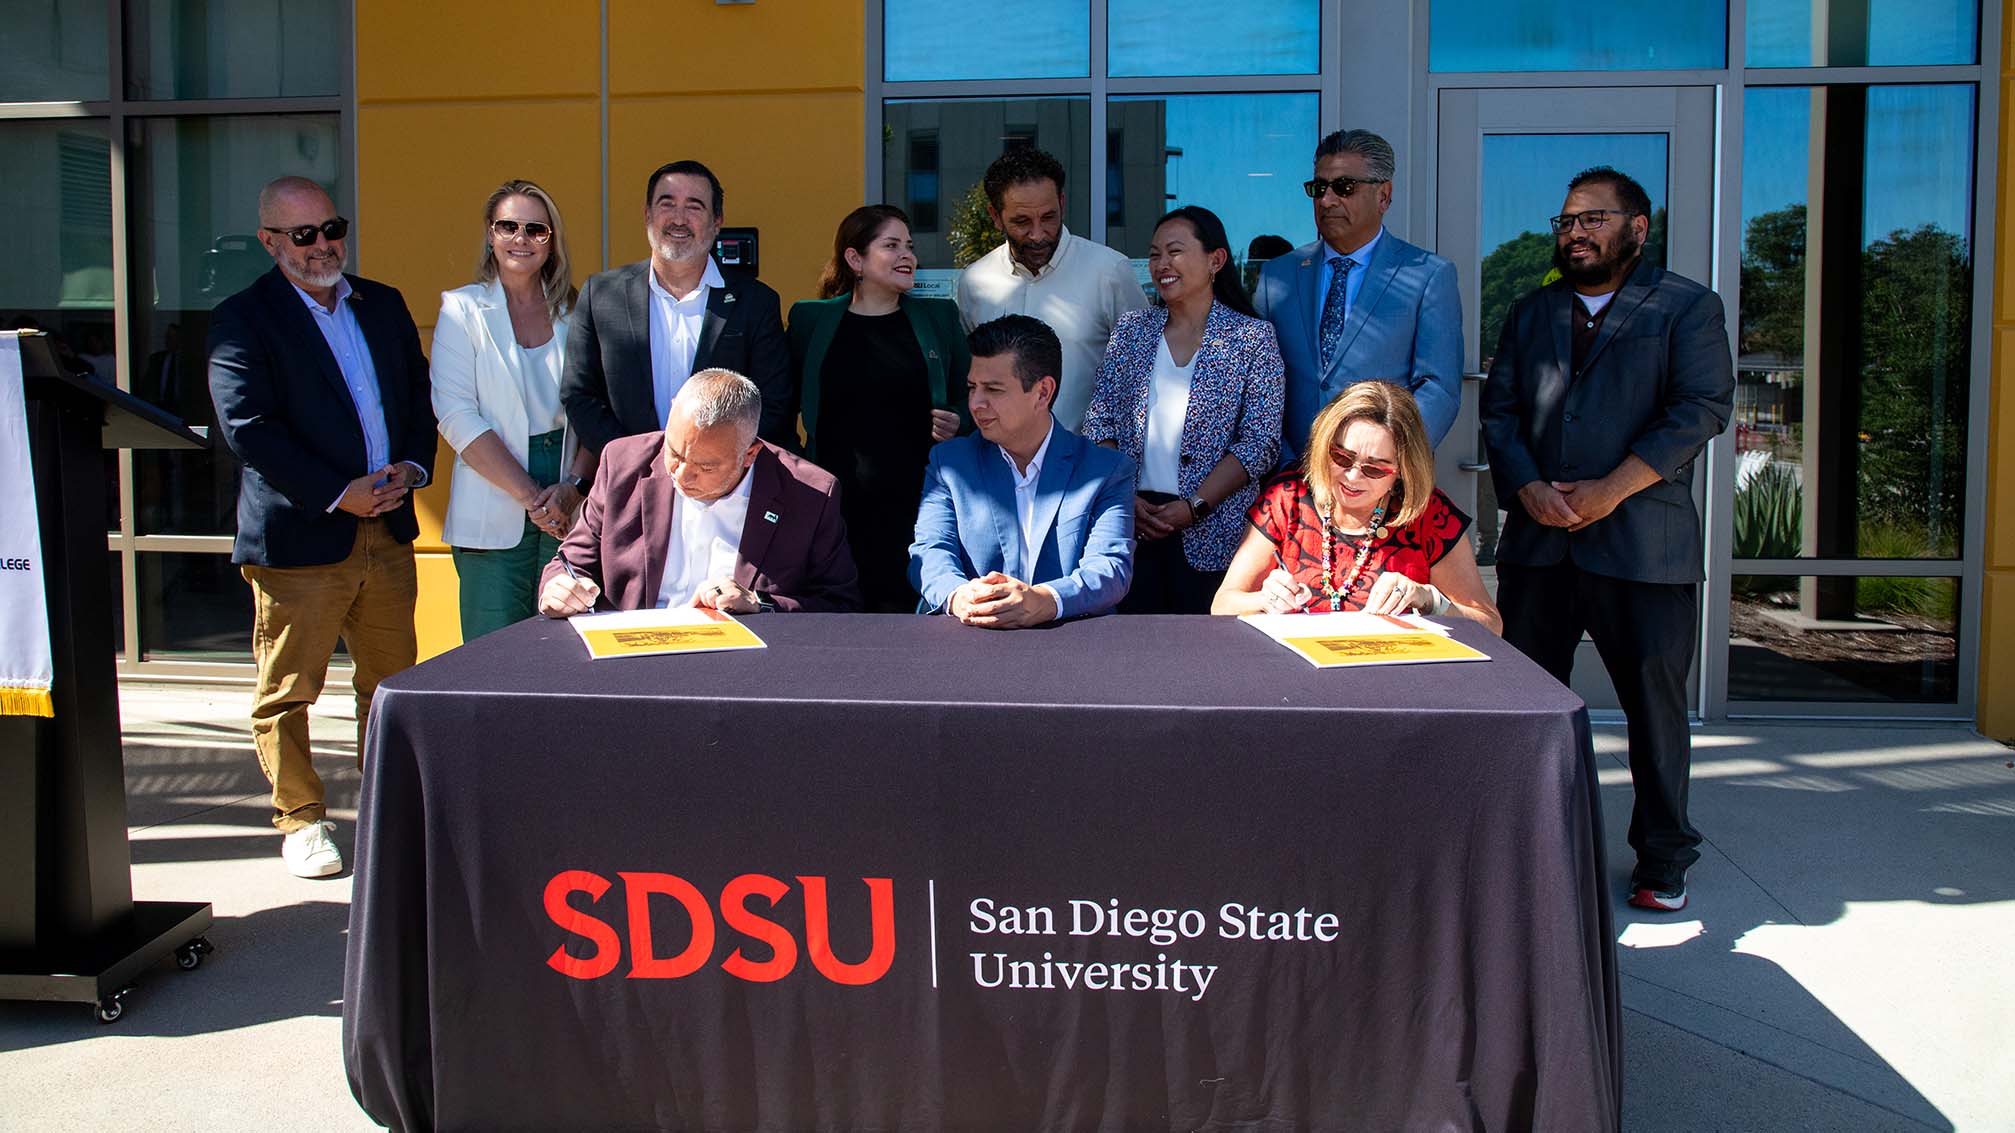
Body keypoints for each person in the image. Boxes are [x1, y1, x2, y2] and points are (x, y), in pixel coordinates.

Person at [1481, 165, 1733, 914]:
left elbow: (1699, 407)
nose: (1574, 232)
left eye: (1592, 218)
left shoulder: (1685, 305)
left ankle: (1661, 856)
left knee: (1653, 710)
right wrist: (1526, 488)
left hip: (1642, 546)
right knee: (1525, 706)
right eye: (1565, 222)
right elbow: (1500, 411)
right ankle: (1521, 845)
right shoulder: (1530, 310)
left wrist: (1608, 490)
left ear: (1637, 227)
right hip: (1539, 546)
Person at [207, 175, 436, 878]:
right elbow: (248, 427)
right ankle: (301, 819)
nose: (322, 245)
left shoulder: (382, 302)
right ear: (271, 242)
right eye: (302, 235)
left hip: (388, 530)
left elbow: (417, 401)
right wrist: (340, 493)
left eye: (330, 228)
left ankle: (386, 813)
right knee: (289, 689)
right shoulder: (244, 317)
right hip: (302, 537)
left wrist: (411, 470)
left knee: (390, 684)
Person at [1082, 205, 1283, 613]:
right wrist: (1122, 498)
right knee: (1132, 655)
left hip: (1213, 523)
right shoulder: (1132, 331)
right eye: (1154, 254)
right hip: (1133, 521)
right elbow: (1098, 420)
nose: (1161, 264)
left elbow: (1260, 442)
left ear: (1216, 260)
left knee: (1208, 660)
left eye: (1174, 251)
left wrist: (1195, 507)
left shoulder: (1251, 338)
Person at [538, 368, 860, 616]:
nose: (681, 474)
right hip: (633, 660)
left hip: (743, 672)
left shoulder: (809, 495)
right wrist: (558, 588)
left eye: (705, 467)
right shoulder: (622, 464)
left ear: (749, 454)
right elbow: (570, 563)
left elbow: (839, 603)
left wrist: (760, 604)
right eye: (675, 453)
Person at [431, 179, 596, 640]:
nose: (521, 239)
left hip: (569, 495)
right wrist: (529, 496)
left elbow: (593, 409)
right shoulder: (462, 309)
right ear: (490, 233)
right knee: (492, 651)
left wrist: (571, 488)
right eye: (508, 226)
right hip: (495, 487)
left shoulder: (576, 308)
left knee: (565, 646)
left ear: (552, 240)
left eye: (536, 230)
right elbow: (456, 414)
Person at [787, 205, 970, 611]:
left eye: (909, 246)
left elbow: (971, 395)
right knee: (838, 612)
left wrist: (959, 418)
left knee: (910, 611)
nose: (907, 255)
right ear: (855, 259)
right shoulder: (808, 321)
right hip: (834, 503)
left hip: (919, 501)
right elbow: (783, 405)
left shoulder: (939, 317)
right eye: (891, 246)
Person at [1212, 382, 1499, 634]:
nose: (1352, 477)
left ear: (1402, 470)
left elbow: (1490, 625)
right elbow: (1222, 604)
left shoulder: (1429, 515)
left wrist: (1430, 601)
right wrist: (1265, 600)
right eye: (1341, 457)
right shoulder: (1288, 498)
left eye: (1373, 469)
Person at [910, 315, 1134, 627]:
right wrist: (960, 596)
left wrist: (1044, 600)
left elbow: (1109, 570)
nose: (975, 403)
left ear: (1043, 392)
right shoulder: (949, 463)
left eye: (993, 390)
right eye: (972, 387)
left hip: (1070, 645)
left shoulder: (1104, 470)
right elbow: (930, 551)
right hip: (969, 638)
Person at [1253, 129, 1463, 455]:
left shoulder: (1427, 275)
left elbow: (1439, 388)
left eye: (1344, 187)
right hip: (1291, 481)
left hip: (1377, 480)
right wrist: (1283, 468)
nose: (1327, 200)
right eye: (1319, 188)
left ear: (1384, 196)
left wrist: (1382, 464)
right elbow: (1257, 387)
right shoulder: (1277, 276)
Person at [561, 160, 792, 455]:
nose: (679, 219)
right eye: (667, 204)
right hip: (631, 483)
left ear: (716, 221)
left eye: (694, 207)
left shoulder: (756, 302)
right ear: (647, 215)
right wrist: (635, 460)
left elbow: (772, 402)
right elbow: (579, 394)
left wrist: (706, 463)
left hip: (722, 487)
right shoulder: (601, 295)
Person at [955, 148, 1147, 432]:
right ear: (995, 216)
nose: (1038, 234)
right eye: (1022, 222)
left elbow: (1142, 372)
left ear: (1062, 203)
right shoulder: (975, 282)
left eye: (1048, 217)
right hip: (997, 464)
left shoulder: (1109, 271)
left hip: (1086, 463)